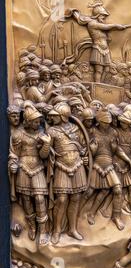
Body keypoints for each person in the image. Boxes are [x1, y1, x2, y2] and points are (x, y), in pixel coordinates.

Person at [65, 0, 131, 82]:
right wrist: (116, 26)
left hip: (106, 50)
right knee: (99, 70)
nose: (104, 18)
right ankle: (97, 85)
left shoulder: (100, 25)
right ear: (97, 15)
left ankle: (102, 85)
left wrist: (118, 29)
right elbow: (107, 27)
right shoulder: (92, 24)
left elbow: (106, 30)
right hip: (98, 48)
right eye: (102, 16)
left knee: (107, 69)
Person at [85, 109, 131, 230]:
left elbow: (117, 150)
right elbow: (86, 149)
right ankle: (78, 215)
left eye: (109, 122)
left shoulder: (113, 132)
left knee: (117, 189)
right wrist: (91, 151)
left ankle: (116, 217)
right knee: (89, 192)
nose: (107, 124)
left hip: (108, 164)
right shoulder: (92, 131)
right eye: (105, 122)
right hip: (96, 164)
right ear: (99, 121)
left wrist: (129, 160)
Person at [46, 103, 88, 244]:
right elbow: (44, 154)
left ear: (63, 117)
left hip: (78, 166)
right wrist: (46, 146)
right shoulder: (51, 131)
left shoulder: (76, 129)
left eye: (55, 116)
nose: (52, 118)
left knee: (76, 198)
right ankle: (56, 230)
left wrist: (88, 153)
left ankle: (72, 229)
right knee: (62, 199)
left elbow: (84, 148)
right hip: (61, 166)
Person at [10, 103, 51, 245]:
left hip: (38, 167)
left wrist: (46, 145)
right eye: (34, 121)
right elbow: (14, 154)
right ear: (27, 121)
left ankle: (44, 230)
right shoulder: (18, 135)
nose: (38, 122)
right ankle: (32, 226)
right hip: (23, 167)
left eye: (38, 120)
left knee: (40, 199)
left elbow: (44, 156)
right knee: (26, 199)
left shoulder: (42, 134)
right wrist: (13, 163)